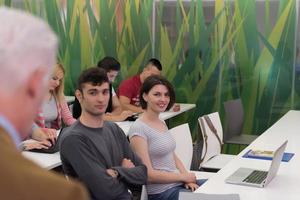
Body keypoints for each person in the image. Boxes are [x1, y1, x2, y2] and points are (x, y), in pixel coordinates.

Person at [0, 7, 88, 199]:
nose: (55, 83)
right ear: (35, 83)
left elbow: (36, 128)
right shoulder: (61, 193)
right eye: (51, 78)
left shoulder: (58, 96)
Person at [60, 67, 147, 200]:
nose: (101, 99)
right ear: (79, 95)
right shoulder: (73, 138)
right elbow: (105, 191)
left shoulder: (114, 129)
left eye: (105, 92)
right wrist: (126, 173)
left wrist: (116, 172)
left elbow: (142, 174)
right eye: (93, 93)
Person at [128, 75, 205, 200]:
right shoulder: (138, 129)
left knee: (219, 187)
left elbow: (172, 155)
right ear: (145, 96)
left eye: (166, 95)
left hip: (177, 184)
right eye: (157, 94)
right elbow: (148, 175)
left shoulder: (161, 122)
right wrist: (183, 177)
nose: (163, 99)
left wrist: (187, 178)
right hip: (161, 193)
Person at [72, 56, 133, 121]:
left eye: (105, 92)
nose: (113, 80)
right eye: (111, 76)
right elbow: (91, 115)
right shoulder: (88, 84)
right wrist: (117, 118)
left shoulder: (108, 85)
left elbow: (118, 107)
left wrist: (112, 115)